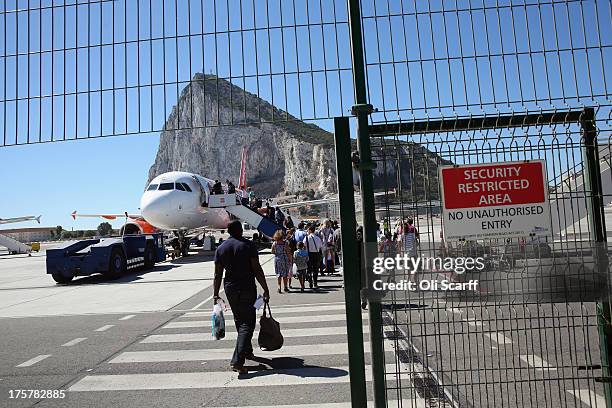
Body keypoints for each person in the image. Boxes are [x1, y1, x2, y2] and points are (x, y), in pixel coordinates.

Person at [213, 220, 270, 374]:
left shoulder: (221, 248)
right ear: (240, 230)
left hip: (230, 288)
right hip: (247, 287)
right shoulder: (248, 246)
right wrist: (265, 289)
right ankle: (237, 360)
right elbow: (257, 269)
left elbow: (218, 274)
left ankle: (246, 350)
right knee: (248, 323)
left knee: (239, 320)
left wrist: (215, 294)